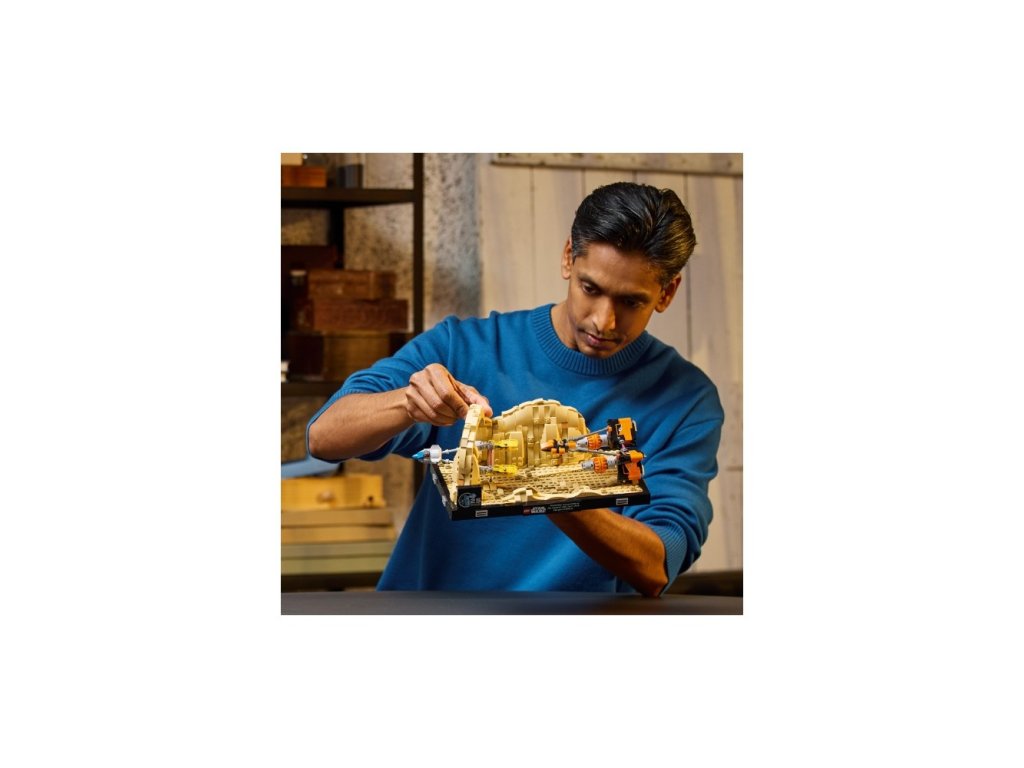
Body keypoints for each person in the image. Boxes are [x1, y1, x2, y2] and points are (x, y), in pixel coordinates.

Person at [306, 182, 724, 597]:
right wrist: (407, 403)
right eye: (590, 289)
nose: (603, 321)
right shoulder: (464, 347)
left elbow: (658, 565)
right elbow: (323, 437)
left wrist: (542, 484)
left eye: (631, 302)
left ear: (667, 293)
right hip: (425, 620)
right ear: (568, 258)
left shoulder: (686, 400)